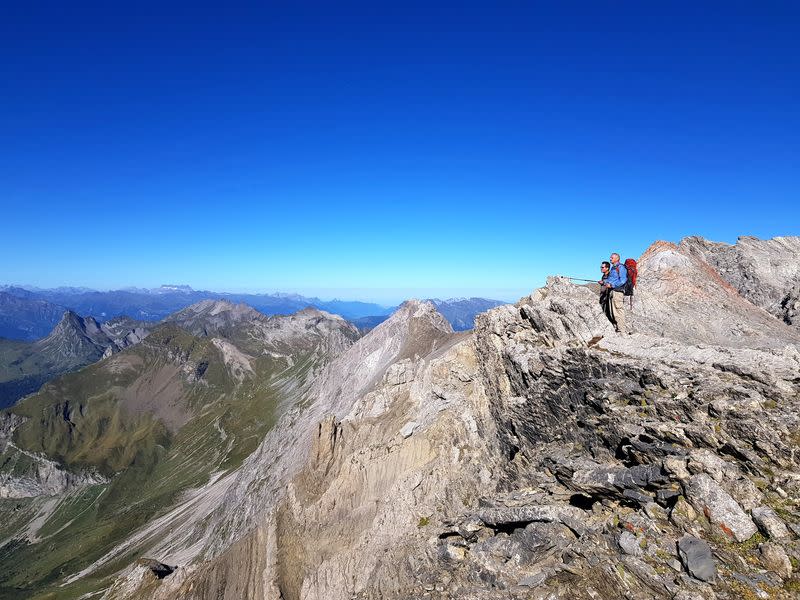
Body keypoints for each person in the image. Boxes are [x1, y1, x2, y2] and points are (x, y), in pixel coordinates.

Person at [603, 253, 627, 334]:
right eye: (610, 257)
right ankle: (618, 328)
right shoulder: (613, 268)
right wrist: (604, 282)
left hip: (617, 292)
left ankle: (622, 330)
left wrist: (612, 285)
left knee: (618, 310)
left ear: (617, 259)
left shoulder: (621, 267)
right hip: (612, 292)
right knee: (613, 311)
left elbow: (623, 280)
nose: (610, 259)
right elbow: (611, 279)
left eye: (612, 257)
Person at [598, 261, 615, 327]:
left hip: (608, 296)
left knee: (609, 312)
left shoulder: (610, 275)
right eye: (601, 267)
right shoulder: (603, 275)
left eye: (602, 267)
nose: (601, 268)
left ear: (607, 268)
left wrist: (603, 283)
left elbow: (610, 284)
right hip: (603, 296)